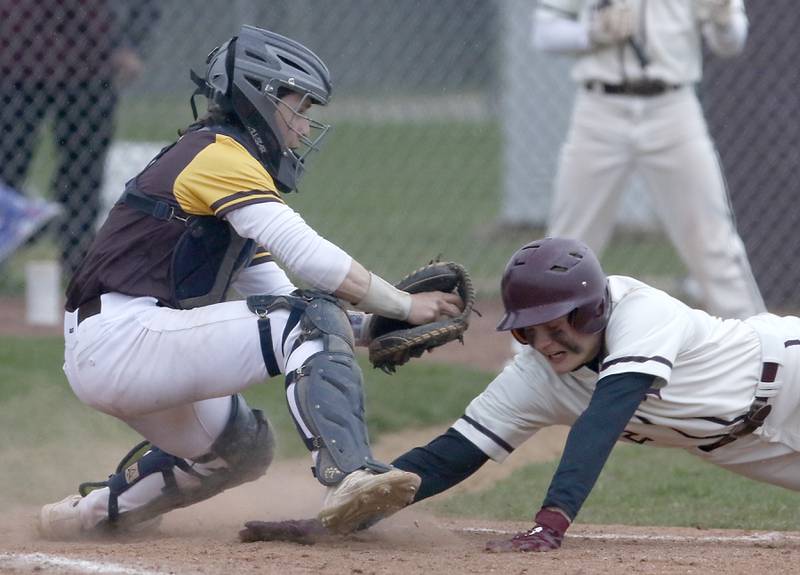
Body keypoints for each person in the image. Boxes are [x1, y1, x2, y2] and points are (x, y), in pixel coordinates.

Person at [36, 25, 463, 540]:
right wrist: (402, 304)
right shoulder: (217, 155)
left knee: (242, 449)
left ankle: (90, 516)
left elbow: (283, 301)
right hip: (125, 338)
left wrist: (370, 326)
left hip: (121, 348)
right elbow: (311, 262)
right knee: (307, 315)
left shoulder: (223, 169)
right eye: (298, 107)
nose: (304, 126)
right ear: (260, 97)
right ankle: (350, 474)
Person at [245, 236, 800, 552]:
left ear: (595, 309)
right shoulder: (538, 373)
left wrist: (551, 524)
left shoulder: (643, 312)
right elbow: (449, 457)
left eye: (559, 324)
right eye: (529, 329)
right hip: (737, 444)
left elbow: (602, 420)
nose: (545, 341)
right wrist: (335, 521)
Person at [533, 0, 764, 320]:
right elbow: (545, 32)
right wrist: (593, 32)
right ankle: (534, 355)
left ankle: (761, 351)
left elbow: (730, 43)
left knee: (714, 243)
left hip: (673, 108)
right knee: (569, 242)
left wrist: (722, 16)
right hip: (599, 109)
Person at [0, 0, 159, 275]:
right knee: (7, 167)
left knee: (83, 171)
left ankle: (77, 265)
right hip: (13, 62)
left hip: (89, 64)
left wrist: (131, 45)